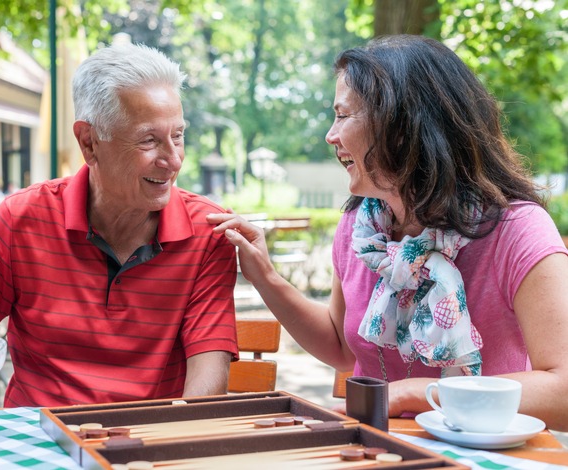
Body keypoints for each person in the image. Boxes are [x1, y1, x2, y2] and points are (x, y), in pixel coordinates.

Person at [208, 35, 568, 431]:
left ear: (402, 125)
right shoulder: (361, 231)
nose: (331, 135)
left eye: (343, 115)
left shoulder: (518, 231)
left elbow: (563, 389)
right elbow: (341, 348)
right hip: (382, 451)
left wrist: (419, 394)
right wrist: (266, 277)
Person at [0, 43, 239, 414]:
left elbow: (205, 391)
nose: (173, 160)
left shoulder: (208, 233)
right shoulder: (20, 219)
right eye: (149, 140)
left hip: (146, 445)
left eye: (178, 135)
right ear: (89, 142)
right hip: (36, 443)